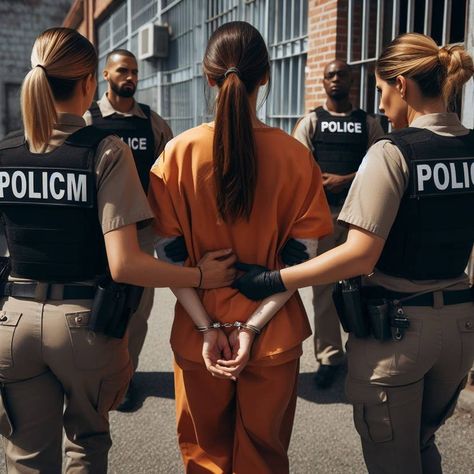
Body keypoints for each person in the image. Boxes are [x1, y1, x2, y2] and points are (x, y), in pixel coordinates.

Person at [232, 32, 474, 474]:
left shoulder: (392, 152)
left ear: (402, 85)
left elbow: (361, 256)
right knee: (423, 447)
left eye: (382, 90)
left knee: (394, 460)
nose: (380, 103)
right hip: (460, 331)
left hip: (398, 333)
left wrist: (273, 279)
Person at [0, 27, 235, 473]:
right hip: (85, 323)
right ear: (91, 82)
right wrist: (201, 276)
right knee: (85, 445)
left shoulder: (6, 150)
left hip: (13, 323)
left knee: (25, 455)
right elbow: (124, 264)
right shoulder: (104, 152)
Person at [148, 21, 332, 474]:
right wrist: (249, 328)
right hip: (274, 334)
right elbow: (301, 260)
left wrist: (209, 327)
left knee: (203, 459)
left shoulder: (176, 154)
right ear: (265, 76)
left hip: (198, 335)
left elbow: (167, 255)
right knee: (264, 460)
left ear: (208, 77)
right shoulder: (297, 157)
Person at [84, 48, 173, 411]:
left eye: (135, 71)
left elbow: (169, 171)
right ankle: (89, 373)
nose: (130, 77)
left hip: (140, 233)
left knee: (137, 310)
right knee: (90, 305)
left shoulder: (152, 122)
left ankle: (126, 375)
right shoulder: (87, 119)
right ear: (105, 74)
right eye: (123, 70)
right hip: (93, 235)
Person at [292, 60, 384, 388]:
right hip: (323, 217)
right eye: (330, 75)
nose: (335, 79)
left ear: (351, 80)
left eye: (341, 74)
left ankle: (363, 354)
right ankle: (330, 357)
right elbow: (298, 165)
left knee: (365, 286)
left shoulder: (368, 123)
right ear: (323, 81)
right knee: (324, 291)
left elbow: (382, 166)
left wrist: (345, 179)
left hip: (361, 216)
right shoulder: (312, 121)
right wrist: (321, 180)